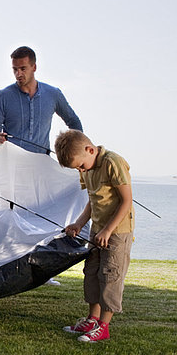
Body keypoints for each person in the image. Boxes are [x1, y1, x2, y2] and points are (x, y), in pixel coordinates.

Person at [54, 130, 134, 342]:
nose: (80, 170)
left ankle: (104, 326)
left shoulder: (112, 163)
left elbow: (126, 201)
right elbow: (92, 200)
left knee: (110, 276)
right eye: (77, 169)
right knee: (91, 272)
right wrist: (79, 224)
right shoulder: (86, 169)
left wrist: (108, 230)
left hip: (117, 232)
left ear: (90, 150)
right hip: (96, 231)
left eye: (81, 166)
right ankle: (92, 319)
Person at [0, 46, 82, 154]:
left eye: (23, 69)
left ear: (34, 67)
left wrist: (77, 151)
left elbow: (73, 121)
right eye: (15, 69)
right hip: (11, 162)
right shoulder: (3, 96)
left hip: (41, 163)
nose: (18, 74)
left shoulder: (53, 94)